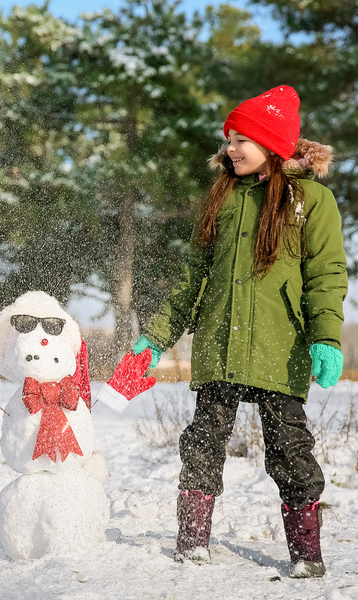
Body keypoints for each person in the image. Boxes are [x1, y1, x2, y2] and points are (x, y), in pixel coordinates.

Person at [128, 85, 346, 578]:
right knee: (203, 441)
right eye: (228, 139)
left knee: (290, 449)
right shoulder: (222, 196)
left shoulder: (311, 200)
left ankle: (306, 551)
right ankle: (192, 538)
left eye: (241, 139)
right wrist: (156, 338)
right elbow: (192, 276)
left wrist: (326, 337)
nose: (230, 148)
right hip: (220, 345)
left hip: (280, 345)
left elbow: (327, 275)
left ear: (271, 143)